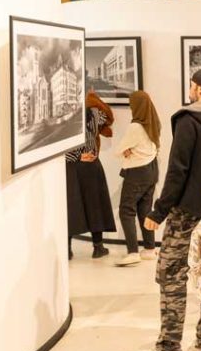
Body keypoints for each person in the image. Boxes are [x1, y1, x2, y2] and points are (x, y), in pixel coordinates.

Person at [131, 67, 201, 351]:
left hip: (186, 213)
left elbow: (177, 171)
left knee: (170, 274)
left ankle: (168, 349)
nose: (190, 90)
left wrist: (159, 211)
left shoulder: (188, 120)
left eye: (193, 85)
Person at [66, 91, 116, 259]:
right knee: (95, 205)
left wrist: (77, 156)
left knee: (72, 206)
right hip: (92, 165)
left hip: (73, 167)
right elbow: (109, 116)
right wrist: (93, 98)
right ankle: (98, 247)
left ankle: (67, 249)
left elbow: (62, 149)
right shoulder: (95, 113)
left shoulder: (68, 115)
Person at [115, 91, 160, 266]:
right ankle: (149, 249)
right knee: (145, 210)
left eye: (131, 104)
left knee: (126, 210)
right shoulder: (154, 122)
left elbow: (119, 149)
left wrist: (126, 151)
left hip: (137, 172)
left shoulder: (136, 127)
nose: (130, 107)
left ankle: (133, 252)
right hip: (151, 170)